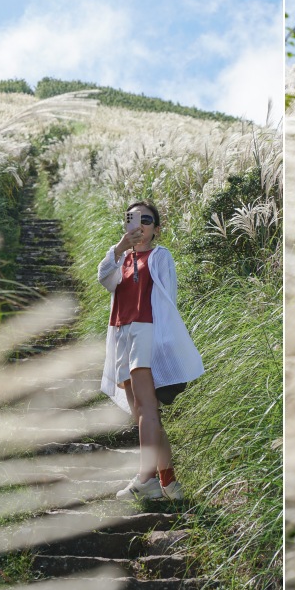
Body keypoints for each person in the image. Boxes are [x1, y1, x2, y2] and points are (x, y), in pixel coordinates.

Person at [98, 201, 204, 500]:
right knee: (143, 413)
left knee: (146, 410)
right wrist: (119, 249)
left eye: (147, 219)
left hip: (145, 331)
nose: (140, 224)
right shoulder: (120, 260)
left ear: (156, 229)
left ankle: (145, 478)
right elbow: (105, 280)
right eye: (132, 219)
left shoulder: (160, 256)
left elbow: (167, 302)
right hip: (121, 334)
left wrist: (163, 346)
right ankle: (168, 483)